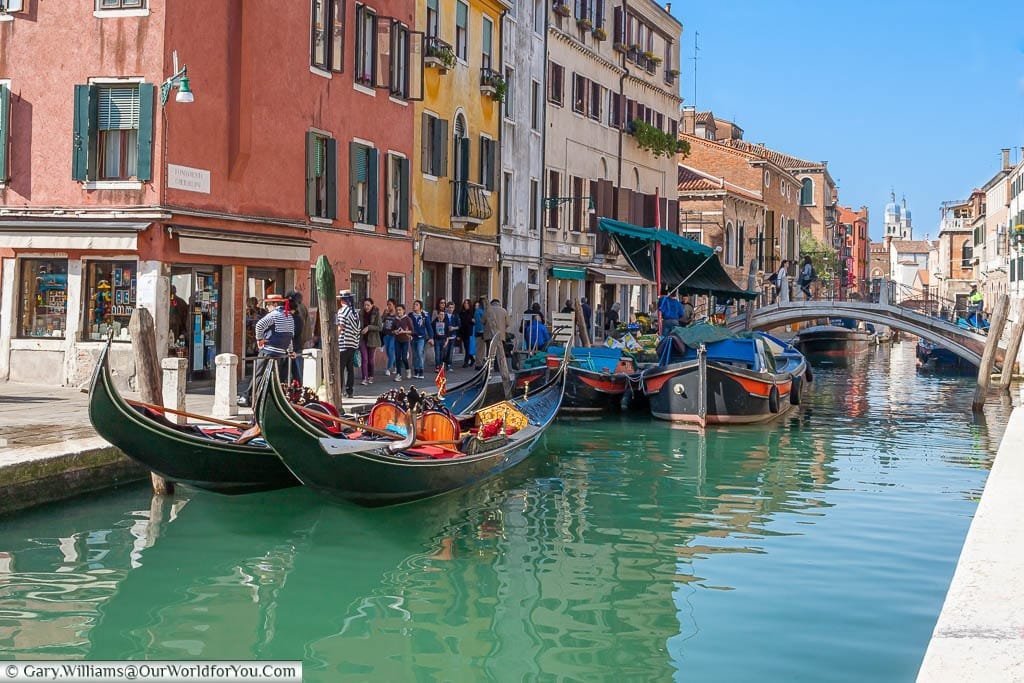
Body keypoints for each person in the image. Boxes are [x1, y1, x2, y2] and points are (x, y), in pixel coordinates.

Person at [237, 293, 295, 412]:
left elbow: (259, 325)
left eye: (268, 304)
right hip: (280, 353)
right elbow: (290, 336)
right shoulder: (289, 316)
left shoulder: (273, 315)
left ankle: (249, 398)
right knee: (273, 377)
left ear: (274, 304)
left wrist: (259, 340)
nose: (267, 307)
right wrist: (290, 351)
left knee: (258, 374)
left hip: (269, 350)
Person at [335, 290, 360, 399]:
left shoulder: (342, 312)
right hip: (353, 343)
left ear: (341, 300)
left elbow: (340, 327)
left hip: (343, 343)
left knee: (340, 368)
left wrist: (334, 338)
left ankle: (339, 391)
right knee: (350, 369)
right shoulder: (355, 312)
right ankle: (350, 391)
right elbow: (358, 329)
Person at [359, 298, 382, 385]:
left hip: (372, 339)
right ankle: (364, 378)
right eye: (365, 305)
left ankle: (371, 376)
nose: (366, 307)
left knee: (370, 359)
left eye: (368, 305)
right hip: (362, 338)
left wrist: (369, 327)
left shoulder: (376, 313)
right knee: (364, 359)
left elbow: (380, 327)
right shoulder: (360, 313)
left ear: (372, 305)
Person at [286, 290, 306, 382]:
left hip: (294, 347)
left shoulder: (297, 316)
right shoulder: (296, 313)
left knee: (296, 373)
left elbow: (295, 332)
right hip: (294, 346)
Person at [392, 304, 413, 381]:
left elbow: (412, 330)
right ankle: (398, 374)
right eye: (397, 310)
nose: (398, 312)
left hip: (405, 340)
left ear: (403, 310)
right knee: (397, 357)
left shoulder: (407, 319)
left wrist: (404, 331)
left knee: (404, 357)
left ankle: (408, 370)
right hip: (397, 340)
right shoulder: (395, 319)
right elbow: (392, 330)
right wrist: (395, 331)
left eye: (400, 310)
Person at [409, 300, 430, 379]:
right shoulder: (410, 316)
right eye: (414, 304)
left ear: (420, 307)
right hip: (413, 337)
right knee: (414, 354)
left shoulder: (424, 316)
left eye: (416, 305)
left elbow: (428, 326)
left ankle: (421, 371)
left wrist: (431, 337)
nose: (414, 306)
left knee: (419, 352)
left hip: (421, 337)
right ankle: (416, 370)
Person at [380, 298, 398, 376]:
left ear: (394, 305)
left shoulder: (397, 314)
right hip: (385, 335)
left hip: (393, 335)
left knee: (391, 351)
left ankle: (388, 368)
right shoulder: (386, 314)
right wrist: (384, 314)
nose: (388, 306)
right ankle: (395, 365)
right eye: (387, 304)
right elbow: (380, 321)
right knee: (388, 352)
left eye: (390, 304)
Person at [458, 299, 476, 368]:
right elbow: (460, 323)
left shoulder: (472, 312)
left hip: (469, 332)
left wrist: (472, 321)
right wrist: (459, 334)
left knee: (468, 347)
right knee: (466, 347)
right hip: (463, 331)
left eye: (467, 303)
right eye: (465, 303)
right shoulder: (461, 312)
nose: (466, 305)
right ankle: (472, 359)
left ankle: (466, 362)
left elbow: (473, 321)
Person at [431, 299, 448, 371]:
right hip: (437, 339)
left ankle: (441, 365)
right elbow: (432, 330)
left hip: (443, 339)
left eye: (443, 315)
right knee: (437, 353)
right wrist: (431, 338)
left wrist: (447, 341)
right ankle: (437, 366)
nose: (441, 316)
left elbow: (447, 332)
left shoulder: (446, 323)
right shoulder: (434, 322)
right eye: (440, 314)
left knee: (442, 354)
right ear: (438, 315)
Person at [443, 301, 459, 370]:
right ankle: (443, 362)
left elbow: (459, 326)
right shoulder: (444, 315)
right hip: (445, 336)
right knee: (445, 351)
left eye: (452, 308)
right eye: (449, 307)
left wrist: (453, 328)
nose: (451, 309)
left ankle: (449, 364)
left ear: (454, 308)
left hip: (453, 335)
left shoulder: (455, 316)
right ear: (447, 308)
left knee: (450, 351)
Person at [473, 298, 486, 369]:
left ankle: (479, 363)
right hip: (480, 332)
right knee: (480, 349)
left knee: (481, 349)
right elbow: (478, 322)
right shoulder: (478, 311)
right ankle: (478, 364)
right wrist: (481, 331)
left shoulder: (481, 311)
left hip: (482, 332)